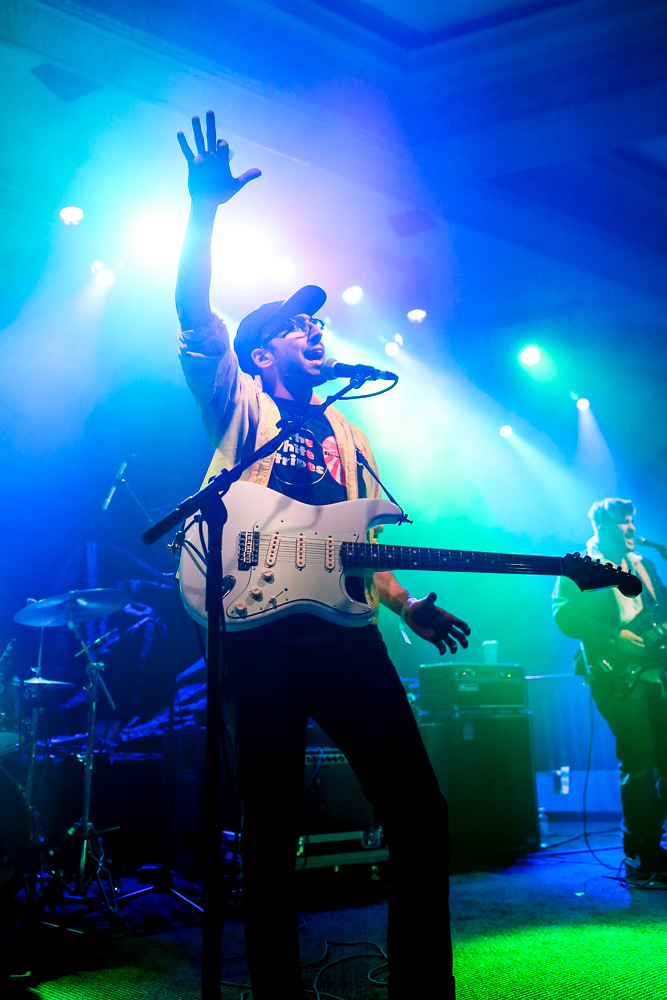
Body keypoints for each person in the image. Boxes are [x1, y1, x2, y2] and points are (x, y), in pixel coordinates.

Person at [175, 111, 469, 999]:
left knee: (419, 812)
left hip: (345, 635)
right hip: (257, 633)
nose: (317, 329)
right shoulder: (239, 402)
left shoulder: (350, 429)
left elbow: (355, 550)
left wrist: (405, 603)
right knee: (267, 832)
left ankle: (423, 988)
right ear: (263, 353)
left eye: (318, 323)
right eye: (299, 326)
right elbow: (195, 312)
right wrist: (202, 211)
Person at [553, 497, 667, 881]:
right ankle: (641, 852)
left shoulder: (645, 565)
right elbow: (563, 614)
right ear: (601, 527)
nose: (632, 527)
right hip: (613, 674)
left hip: (655, 672)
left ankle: (652, 843)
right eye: (623, 521)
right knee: (641, 762)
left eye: (633, 520)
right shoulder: (580, 566)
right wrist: (614, 637)